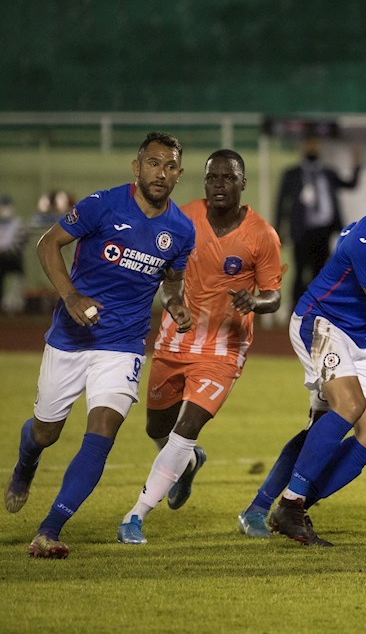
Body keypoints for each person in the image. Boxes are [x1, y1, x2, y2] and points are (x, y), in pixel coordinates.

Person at [3, 132, 195, 559]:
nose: (160, 173)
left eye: (169, 166)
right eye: (152, 163)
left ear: (179, 175)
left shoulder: (181, 230)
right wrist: (69, 296)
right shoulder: (101, 204)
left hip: (123, 344)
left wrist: (176, 306)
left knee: (103, 429)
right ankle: (25, 465)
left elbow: (171, 284)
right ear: (136, 166)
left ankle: (49, 530)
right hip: (71, 338)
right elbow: (47, 244)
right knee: (45, 431)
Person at [239, 154, 366, 539]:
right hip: (325, 324)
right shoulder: (365, 239)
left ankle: (297, 505)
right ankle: (275, 503)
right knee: (339, 413)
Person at [115, 149, 283, 545]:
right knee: (157, 426)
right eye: (212, 178)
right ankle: (189, 464)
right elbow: (164, 270)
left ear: (243, 183)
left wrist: (255, 302)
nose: (219, 184)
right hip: (175, 339)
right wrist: (170, 302)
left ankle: (135, 516)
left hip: (224, 348)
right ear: (204, 181)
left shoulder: (262, 235)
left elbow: (273, 295)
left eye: (228, 178)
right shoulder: (183, 217)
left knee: (187, 427)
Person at [275, 136, 362, 303]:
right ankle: (295, 310)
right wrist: (279, 230)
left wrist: (356, 164)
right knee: (300, 272)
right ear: (301, 147)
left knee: (320, 272)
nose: (312, 148)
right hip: (301, 231)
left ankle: (317, 309)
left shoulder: (328, 172)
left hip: (324, 231)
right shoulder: (291, 174)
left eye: (314, 144)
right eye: (308, 144)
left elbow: (350, 184)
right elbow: (281, 203)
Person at [0, 194, 26, 314]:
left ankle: (15, 305)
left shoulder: (17, 224)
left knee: (17, 281)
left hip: (14, 260)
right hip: (2, 261)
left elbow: (19, 244)